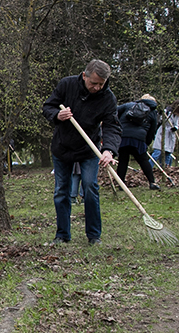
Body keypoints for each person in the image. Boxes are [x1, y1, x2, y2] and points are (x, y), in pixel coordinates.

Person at [42, 59, 121, 245]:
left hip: (89, 149)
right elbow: (48, 106)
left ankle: (94, 236)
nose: (97, 88)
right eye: (93, 83)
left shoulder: (107, 98)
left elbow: (112, 126)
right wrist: (57, 115)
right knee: (62, 190)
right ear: (84, 75)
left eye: (101, 84)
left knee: (90, 187)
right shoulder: (67, 85)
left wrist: (109, 150)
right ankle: (62, 235)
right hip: (63, 147)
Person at [115, 94, 160, 189]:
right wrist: (146, 143)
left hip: (124, 136)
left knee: (123, 160)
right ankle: (152, 182)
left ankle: (120, 184)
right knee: (143, 160)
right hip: (139, 139)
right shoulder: (153, 112)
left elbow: (114, 112)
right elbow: (152, 130)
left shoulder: (129, 105)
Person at [151, 100, 179, 167]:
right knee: (157, 153)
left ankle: (165, 169)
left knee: (167, 154)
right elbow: (160, 120)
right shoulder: (166, 111)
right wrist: (161, 115)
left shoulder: (177, 115)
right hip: (163, 133)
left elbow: (176, 124)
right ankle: (148, 167)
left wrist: (175, 128)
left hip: (170, 134)